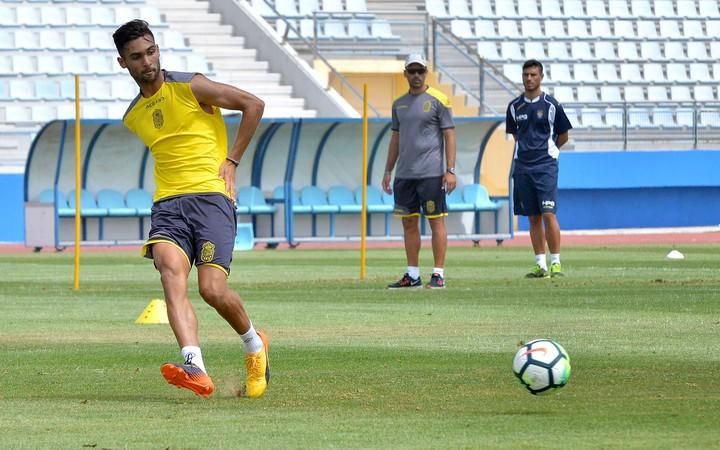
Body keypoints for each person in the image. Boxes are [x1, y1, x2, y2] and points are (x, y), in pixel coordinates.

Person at [113, 20, 269, 398]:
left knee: (212, 289)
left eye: (151, 51)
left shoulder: (191, 85)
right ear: (123, 63)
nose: (147, 61)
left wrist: (232, 160)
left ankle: (254, 344)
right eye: (136, 56)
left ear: (158, 49)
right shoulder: (133, 116)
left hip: (211, 198)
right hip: (167, 205)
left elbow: (253, 104)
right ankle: (194, 365)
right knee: (170, 273)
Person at [382, 53, 456, 289]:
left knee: (436, 222)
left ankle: (438, 273)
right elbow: (395, 138)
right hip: (405, 175)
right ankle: (412, 274)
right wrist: (388, 170)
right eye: (411, 71)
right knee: (409, 224)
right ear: (405, 74)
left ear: (426, 73)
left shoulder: (439, 100)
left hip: (431, 174)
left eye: (420, 71)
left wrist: (450, 169)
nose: (416, 75)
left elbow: (449, 135)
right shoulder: (399, 104)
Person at [505, 59, 572, 278]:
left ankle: (556, 262)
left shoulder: (552, 105)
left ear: (541, 77)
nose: (529, 78)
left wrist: (549, 150)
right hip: (523, 167)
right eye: (526, 75)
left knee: (548, 213)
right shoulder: (514, 107)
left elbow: (563, 135)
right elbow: (516, 135)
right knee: (532, 216)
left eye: (533, 75)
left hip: (545, 167)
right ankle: (540, 264)